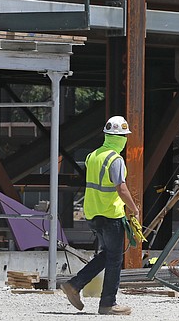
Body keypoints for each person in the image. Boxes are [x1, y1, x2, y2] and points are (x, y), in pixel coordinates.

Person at [61, 115, 139, 316]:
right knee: (114, 259)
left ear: (106, 135)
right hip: (110, 215)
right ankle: (107, 304)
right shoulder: (115, 159)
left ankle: (75, 284)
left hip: (92, 214)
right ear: (121, 138)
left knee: (107, 254)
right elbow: (121, 188)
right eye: (124, 136)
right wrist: (134, 209)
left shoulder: (93, 156)